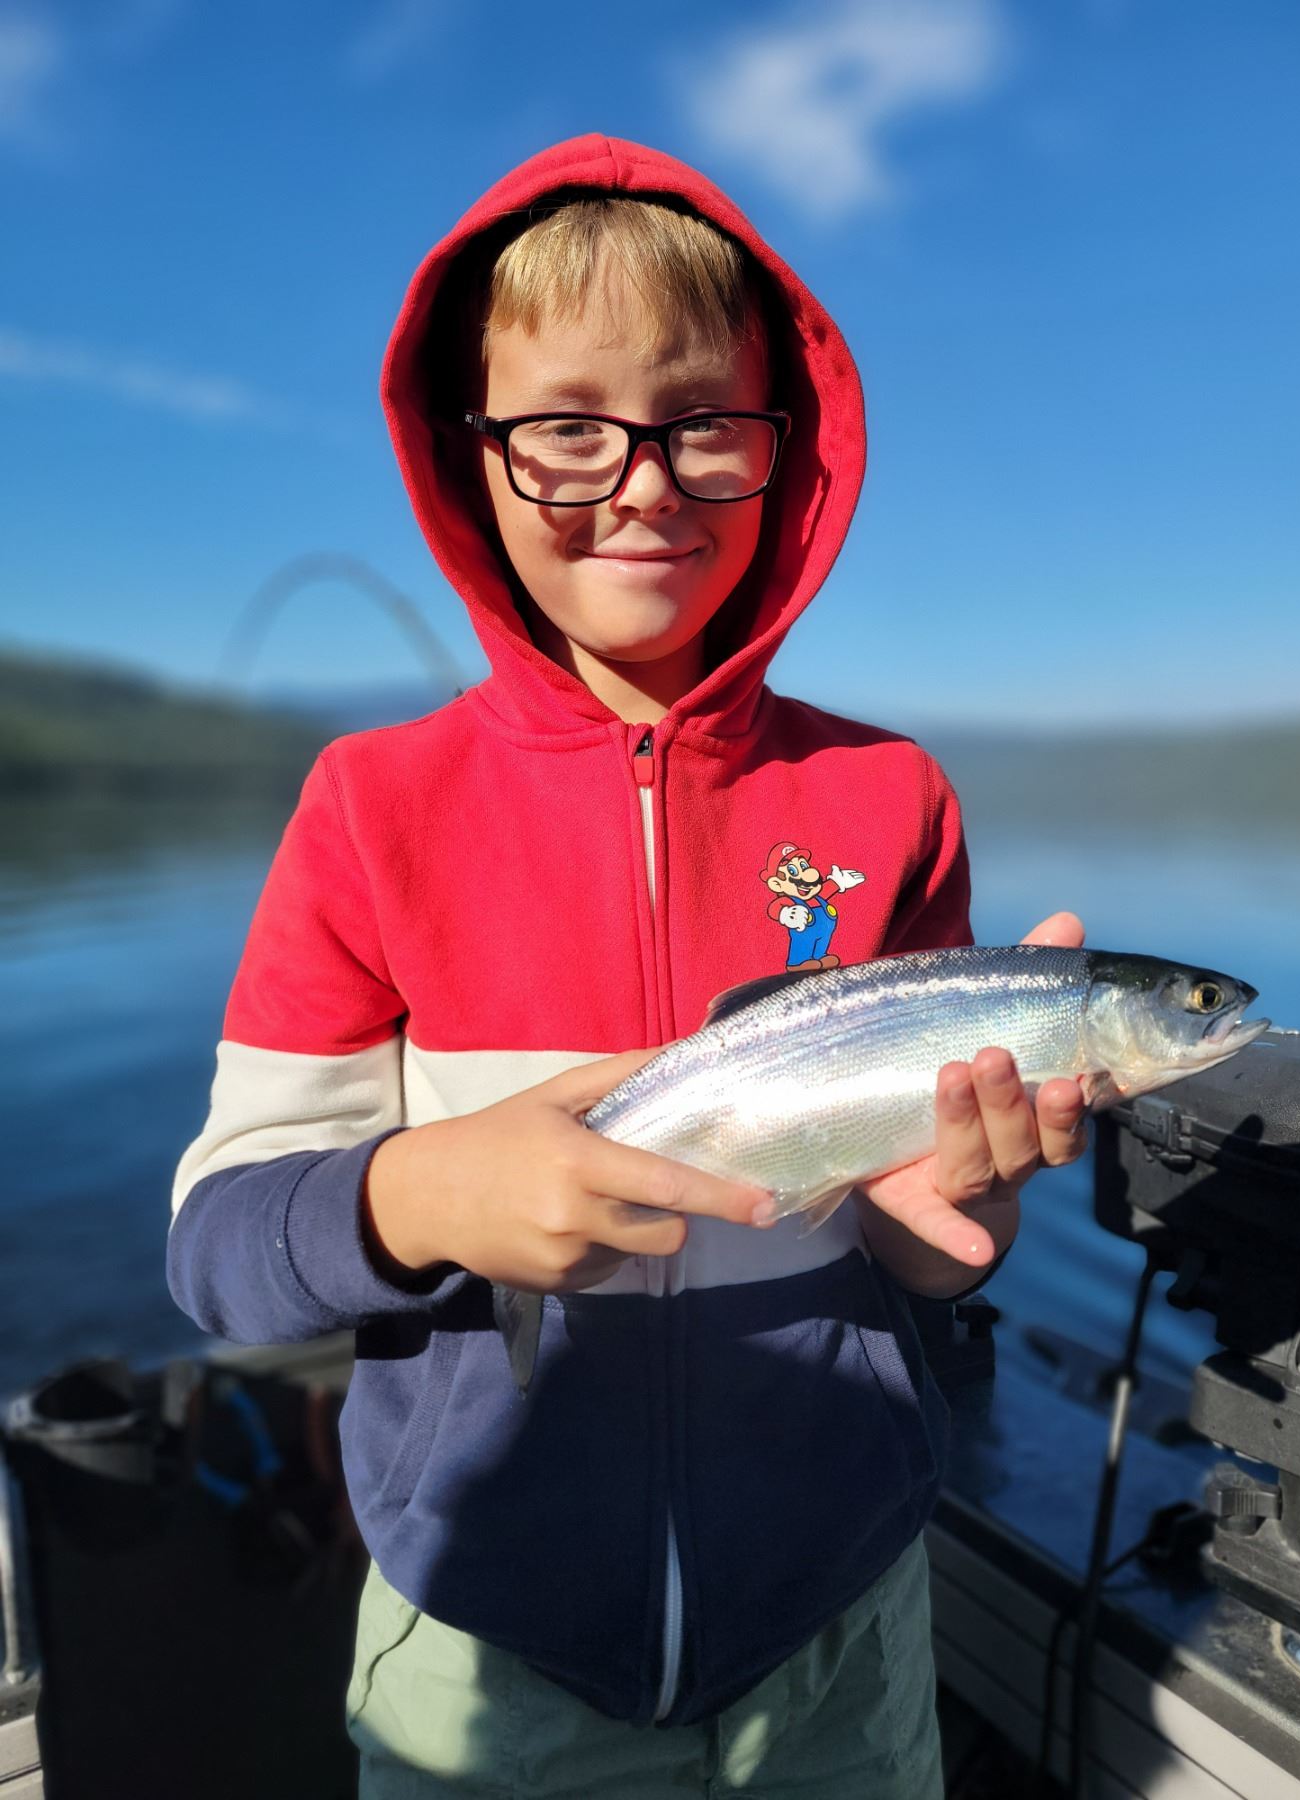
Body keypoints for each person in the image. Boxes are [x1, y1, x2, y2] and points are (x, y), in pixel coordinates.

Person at [167, 133, 1086, 1798]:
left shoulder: (888, 796)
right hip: (483, 1648)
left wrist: (958, 1213)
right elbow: (220, 1248)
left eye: (702, 423)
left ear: (785, 453)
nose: (645, 482)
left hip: (838, 1638)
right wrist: (419, 1194)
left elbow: (916, 1246)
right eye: (568, 428)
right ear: (471, 457)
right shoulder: (371, 806)